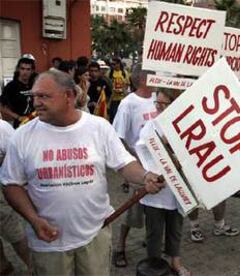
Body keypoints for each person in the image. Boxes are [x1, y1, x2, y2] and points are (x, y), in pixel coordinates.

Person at [0, 70, 162, 275]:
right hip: (48, 245)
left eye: (44, 96)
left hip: (94, 236)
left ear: (69, 96)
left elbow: (125, 164)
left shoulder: (98, 127)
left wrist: (145, 176)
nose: (36, 103)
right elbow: (11, 185)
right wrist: (33, 219)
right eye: (34, 96)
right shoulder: (22, 135)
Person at [135, 88, 191, 276]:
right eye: (156, 102)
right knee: (154, 232)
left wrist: (178, 157)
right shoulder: (151, 126)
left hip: (178, 188)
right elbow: (142, 150)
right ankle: (154, 267)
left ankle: (175, 261)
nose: (158, 106)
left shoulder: (186, 124)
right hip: (157, 188)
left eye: (163, 103)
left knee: (175, 227)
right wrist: (163, 151)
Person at [112, 67, 158, 267]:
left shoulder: (158, 97)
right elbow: (118, 136)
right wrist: (134, 161)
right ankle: (120, 247)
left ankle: (152, 241)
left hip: (159, 164)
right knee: (133, 209)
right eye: (152, 76)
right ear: (141, 80)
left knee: (156, 207)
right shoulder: (127, 104)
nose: (156, 79)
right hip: (139, 167)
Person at [0, 117, 31, 274]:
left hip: (1, 186)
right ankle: (2, 264)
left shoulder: (2, 128)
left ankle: (35, 268)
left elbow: (17, 157)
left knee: (13, 230)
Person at [0, 56, 36, 128]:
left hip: (36, 122)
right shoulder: (11, 86)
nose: (25, 72)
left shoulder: (35, 84)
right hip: (21, 124)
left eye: (28, 69)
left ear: (32, 71)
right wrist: (18, 117)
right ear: (18, 69)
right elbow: (1, 106)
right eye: (22, 69)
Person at [108, 57, 130, 122]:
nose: (112, 65)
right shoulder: (109, 72)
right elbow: (107, 83)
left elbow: (127, 84)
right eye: (112, 64)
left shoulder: (124, 73)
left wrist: (123, 90)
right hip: (113, 99)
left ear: (118, 64)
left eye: (114, 64)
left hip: (122, 98)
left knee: (121, 117)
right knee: (113, 116)